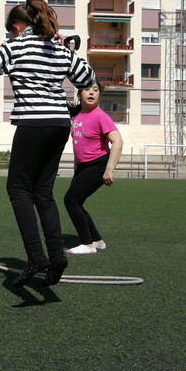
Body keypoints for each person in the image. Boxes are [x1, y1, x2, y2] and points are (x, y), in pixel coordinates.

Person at [0, 0, 95, 286]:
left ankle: (37, 257)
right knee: (43, 193)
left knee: (18, 190)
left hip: (32, 123)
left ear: (17, 27)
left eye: (9, 32)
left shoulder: (16, 46)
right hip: (59, 125)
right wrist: (69, 50)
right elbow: (87, 78)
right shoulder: (58, 49)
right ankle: (57, 255)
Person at [64, 83, 123, 254]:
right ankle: (97, 241)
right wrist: (77, 168)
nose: (92, 93)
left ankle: (87, 244)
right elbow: (79, 145)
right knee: (76, 202)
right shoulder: (77, 116)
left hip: (98, 164)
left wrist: (109, 170)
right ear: (79, 94)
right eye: (87, 89)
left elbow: (118, 142)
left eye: (95, 90)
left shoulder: (100, 116)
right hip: (83, 167)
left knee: (71, 201)